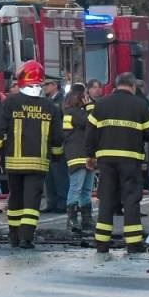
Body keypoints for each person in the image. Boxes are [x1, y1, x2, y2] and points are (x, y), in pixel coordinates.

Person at [0, 61, 63, 249]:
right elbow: (57, 137)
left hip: (14, 162)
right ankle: (26, 238)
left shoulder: (11, 103)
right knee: (32, 201)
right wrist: (55, 156)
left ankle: (13, 236)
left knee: (16, 197)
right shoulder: (50, 106)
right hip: (38, 163)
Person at [86, 72, 149, 254]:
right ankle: (133, 244)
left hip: (106, 161)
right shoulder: (140, 105)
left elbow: (90, 132)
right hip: (130, 160)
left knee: (107, 199)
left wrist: (90, 156)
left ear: (116, 85)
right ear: (133, 86)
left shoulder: (101, 104)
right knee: (131, 199)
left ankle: (101, 243)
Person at [62, 84, 95, 234]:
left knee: (86, 189)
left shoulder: (73, 112)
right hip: (78, 155)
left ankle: (86, 219)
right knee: (76, 188)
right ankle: (72, 220)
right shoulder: (74, 113)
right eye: (86, 96)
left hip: (85, 154)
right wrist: (89, 107)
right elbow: (91, 122)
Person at [43, 80, 68, 212]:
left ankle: (62, 203)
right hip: (46, 143)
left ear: (54, 85)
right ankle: (51, 202)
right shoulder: (45, 101)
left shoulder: (62, 101)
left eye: (47, 85)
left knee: (60, 174)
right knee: (49, 175)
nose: (44, 87)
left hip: (58, 143)